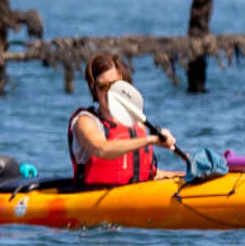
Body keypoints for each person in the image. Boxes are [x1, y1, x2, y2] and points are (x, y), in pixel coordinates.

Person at [70, 52, 181, 185]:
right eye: (103, 86)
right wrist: (151, 140)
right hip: (93, 198)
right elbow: (101, 149)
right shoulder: (85, 122)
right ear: (94, 89)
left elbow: (150, 173)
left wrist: (186, 175)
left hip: (137, 197)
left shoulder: (137, 124)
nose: (110, 92)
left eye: (115, 85)